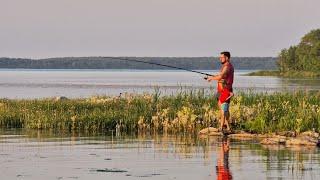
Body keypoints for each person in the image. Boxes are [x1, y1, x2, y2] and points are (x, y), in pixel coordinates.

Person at [205, 51, 234, 132]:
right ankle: (227, 127)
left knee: (223, 110)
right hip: (221, 90)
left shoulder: (227, 66)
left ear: (227, 58)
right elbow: (221, 77)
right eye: (220, 57)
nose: (220, 59)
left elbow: (221, 76)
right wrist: (212, 77)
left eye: (222, 57)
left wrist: (211, 78)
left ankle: (222, 128)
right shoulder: (225, 66)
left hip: (225, 91)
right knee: (224, 109)